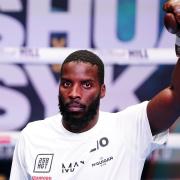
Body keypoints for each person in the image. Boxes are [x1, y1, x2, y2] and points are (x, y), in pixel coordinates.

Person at [10, 1, 180, 179]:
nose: (74, 93)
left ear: (102, 90)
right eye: (67, 83)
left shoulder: (129, 128)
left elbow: (176, 97)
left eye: (86, 85)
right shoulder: (33, 136)